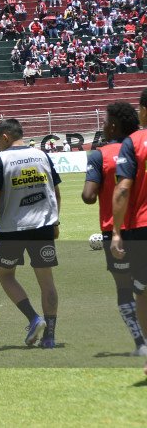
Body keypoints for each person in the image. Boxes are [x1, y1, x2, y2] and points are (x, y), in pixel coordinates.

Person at [0, 118, 61, 348]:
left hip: (12, 229)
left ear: (5, 137)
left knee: (6, 275)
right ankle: (49, 336)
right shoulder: (42, 155)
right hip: (44, 227)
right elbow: (55, 190)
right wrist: (56, 220)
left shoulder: (1, 159)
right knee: (46, 281)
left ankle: (33, 318)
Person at [82, 101, 147, 357]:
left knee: (126, 289)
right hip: (141, 225)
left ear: (112, 125)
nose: (102, 125)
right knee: (143, 286)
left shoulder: (100, 155)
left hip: (116, 230)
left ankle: (141, 343)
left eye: (105, 121)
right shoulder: (138, 144)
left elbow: (88, 196)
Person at [111, 89, 147, 373]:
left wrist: (116, 232)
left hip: (141, 227)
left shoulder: (133, 142)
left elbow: (122, 187)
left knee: (143, 291)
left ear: (144, 111)